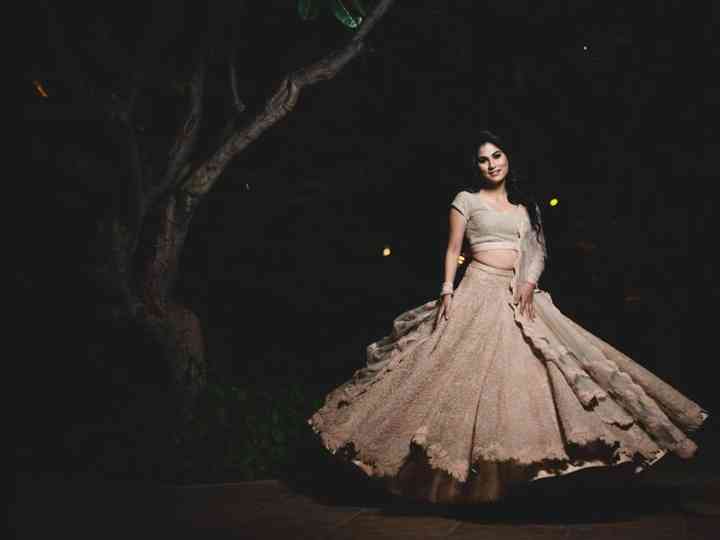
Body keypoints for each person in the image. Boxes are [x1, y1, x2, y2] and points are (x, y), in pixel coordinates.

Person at [307, 130, 709, 504]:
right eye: (483, 159)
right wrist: (447, 291)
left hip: (517, 295)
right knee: (450, 377)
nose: (491, 164)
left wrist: (529, 284)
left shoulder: (525, 209)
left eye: (497, 156)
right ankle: (447, 482)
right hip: (476, 289)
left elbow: (537, 252)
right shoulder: (466, 199)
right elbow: (452, 250)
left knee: (529, 378)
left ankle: (516, 481)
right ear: (475, 166)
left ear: (509, 158)